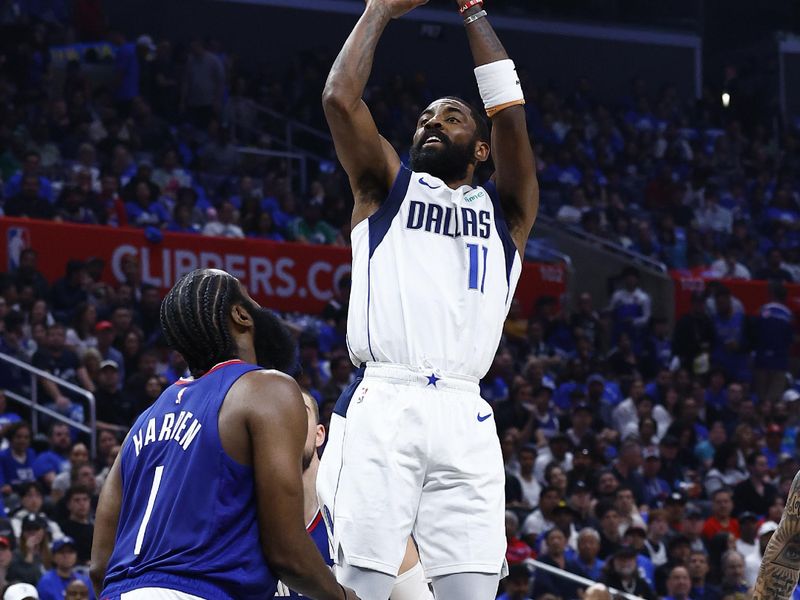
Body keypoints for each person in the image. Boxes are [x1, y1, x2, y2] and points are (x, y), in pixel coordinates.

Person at [317, 0, 538, 597]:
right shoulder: (385, 184)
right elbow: (340, 99)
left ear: (482, 149)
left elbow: (512, 116)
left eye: (452, 117)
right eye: (423, 119)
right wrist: (380, 11)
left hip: (465, 413)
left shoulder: (507, 212)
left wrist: (472, 11)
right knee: (360, 587)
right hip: (385, 397)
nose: (432, 123)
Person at [90, 269, 357, 599]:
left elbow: (99, 565)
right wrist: (344, 597)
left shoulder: (144, 421)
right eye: (251, 298)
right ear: (241, 314)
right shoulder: (267, 387)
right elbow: (286, 552)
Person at [276, 391, 432, 599]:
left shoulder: (367, 512)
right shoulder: (246, 524)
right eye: (278, 415)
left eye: (299, 413)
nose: (289, 422)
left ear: (319, 434)